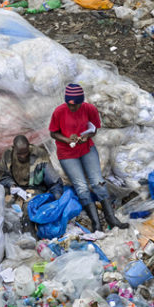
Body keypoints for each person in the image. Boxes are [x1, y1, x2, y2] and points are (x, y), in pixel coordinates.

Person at [48, 83, 129, 232]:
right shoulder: (59, 112)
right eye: (70, 105)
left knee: (98, 182)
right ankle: (96, 223)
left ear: (81, 101)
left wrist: (87, 136)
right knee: (82, 187)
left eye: (76, 105)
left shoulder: (89, 109)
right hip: (67, 153)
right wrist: (67, 139)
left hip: (86, 148)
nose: (73, 108)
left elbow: (94, 129)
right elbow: (53, 133)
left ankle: (111, 218)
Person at [0, 135, 64, 199]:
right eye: (19, 154)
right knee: (0, 197)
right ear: (14, 149)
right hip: (15, 188)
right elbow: (2, 175)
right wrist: (12, 185)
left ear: (29, 147)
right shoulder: (8, 155)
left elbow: (53, 181)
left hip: (35, 189)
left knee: (29, 205)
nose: (23, 156)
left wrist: (57, 197)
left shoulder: (40, 154)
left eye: (25, 152)